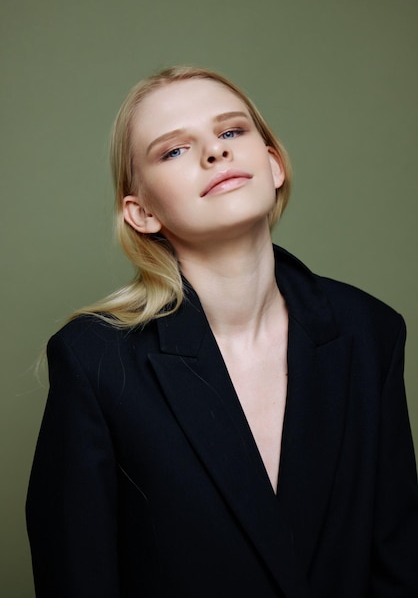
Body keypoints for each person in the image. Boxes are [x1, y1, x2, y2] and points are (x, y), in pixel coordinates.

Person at [26, 66, 418, 598]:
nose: (216, 153)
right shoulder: (93, 359)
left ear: (274, 164)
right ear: (140, 212)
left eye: (231, 132)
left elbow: (398, 562)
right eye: (174, 151)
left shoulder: (370, 332)